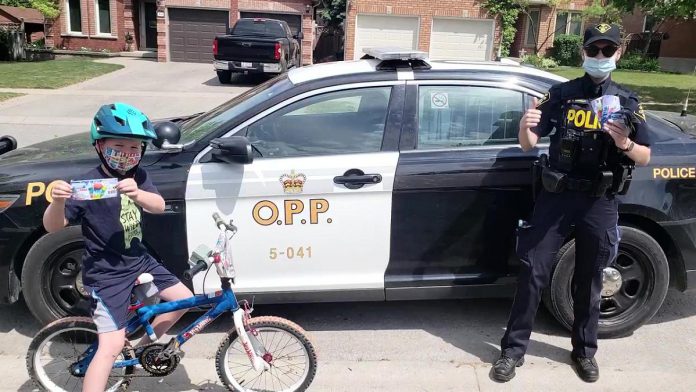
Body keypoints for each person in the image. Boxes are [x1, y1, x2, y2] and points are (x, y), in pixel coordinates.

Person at [492, 23, 652, 383]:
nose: (599, 57)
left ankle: (584, 351)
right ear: (583, 52)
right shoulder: (561, 95)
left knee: (590, 278)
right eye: (593, 50)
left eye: (606, 51)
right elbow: (529, 144)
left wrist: (625, 143)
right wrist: (524, 125)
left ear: (617, 54)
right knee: (533, 272)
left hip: (599, 200)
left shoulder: (627, 103)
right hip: (557, 196)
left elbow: (645, 157)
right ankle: (512, 351)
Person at [43, 103, 194, 392]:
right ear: (100, 146)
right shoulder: (88, 185)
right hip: (106, 273)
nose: (127, 153)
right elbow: (54, 226)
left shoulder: (137, 176)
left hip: (140, 260)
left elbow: (159, 206)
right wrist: (58, 200)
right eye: (118, 146)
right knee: (109, 346)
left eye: (135, 147)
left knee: (183, 300)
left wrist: (138, 193)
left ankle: (140, 351)